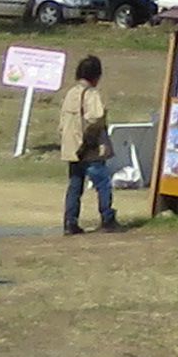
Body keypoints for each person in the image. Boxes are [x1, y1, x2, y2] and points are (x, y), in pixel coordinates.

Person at [58, 52, 121, 233]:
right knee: (102, 183)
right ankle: (107, 218)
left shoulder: (71, 93)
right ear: (96, 75)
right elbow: (96, 117)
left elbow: (63, 122)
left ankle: (70, 222)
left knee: (75, 186)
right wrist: (92, 139)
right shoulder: (91, 94)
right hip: (89, 149)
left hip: (72, 148)